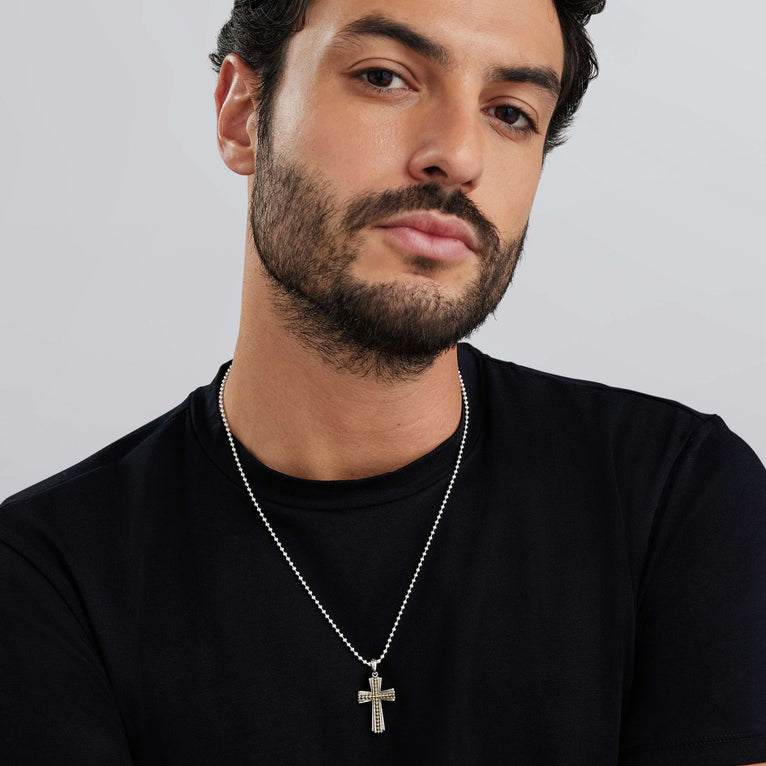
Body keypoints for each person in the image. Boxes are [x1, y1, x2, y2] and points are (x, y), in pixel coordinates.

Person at [1, 0, 764, 763]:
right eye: (385, 77)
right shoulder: (44, 574)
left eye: (510, 112)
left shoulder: (676, 495)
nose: (458, 155)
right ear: (242, 115)